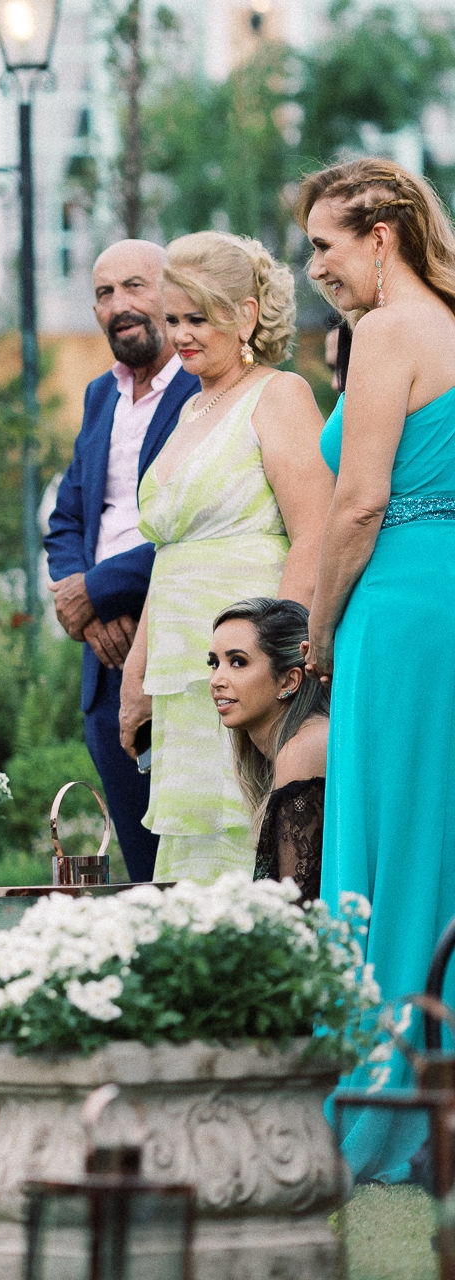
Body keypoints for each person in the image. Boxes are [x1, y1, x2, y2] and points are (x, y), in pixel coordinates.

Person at [296, 156, 455, 1183]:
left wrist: (312, 628)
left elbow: (357, 502)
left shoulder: (388, 330)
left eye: (325, 244)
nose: (315, 268)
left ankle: (388, 1099)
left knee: (392, 842)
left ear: (382, 234)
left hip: (397, 606)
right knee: (439, 840)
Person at [117, 231, 333, 885]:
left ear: (244, 314)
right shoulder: (189, 407)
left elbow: (316, 532)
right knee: (194, 836)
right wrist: (138, 666)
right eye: (173, 319)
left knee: (250, 822)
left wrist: (279, 657)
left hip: (251, 653)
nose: (180, 335)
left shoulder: (280, 394)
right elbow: (170, 551)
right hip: (184, 664)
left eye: (197, 318)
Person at [46, 240, 199, 882]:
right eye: (105, 293)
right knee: (140, 865)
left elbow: (196, 525)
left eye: (135, 287)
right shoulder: (98, 396)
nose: (119, 306)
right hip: (103, 657)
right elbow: (67, 520)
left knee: (190, 847)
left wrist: (100, 591)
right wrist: (83, 609)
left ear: (174, 294)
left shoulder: (201, 390)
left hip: (176, 638)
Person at [206, 598, 328, 902]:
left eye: (238, 662)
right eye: (214, 663)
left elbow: (296, 907)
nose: (217, 680)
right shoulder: (290, 746)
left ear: (288, 680)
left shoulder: (304, 748)